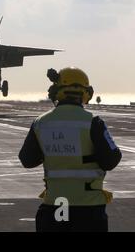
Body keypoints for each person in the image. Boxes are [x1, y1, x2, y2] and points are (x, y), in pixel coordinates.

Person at [18, 67, 122, 232]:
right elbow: (111, 160)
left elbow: (27, 160)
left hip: (55, 205)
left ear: (56, 91)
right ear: (86, 93)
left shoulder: (41, 123)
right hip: (88, 208)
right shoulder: (93, 122)